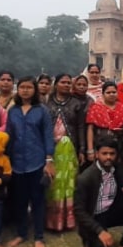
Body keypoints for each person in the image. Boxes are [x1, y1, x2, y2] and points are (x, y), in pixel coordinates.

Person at [73, 138, 123, 247]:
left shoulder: (116, 168)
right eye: (104, 153)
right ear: (97, 154)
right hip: (94, 218)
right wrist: (99, 230)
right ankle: (89, 239)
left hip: (110, 212)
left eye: (112, 154)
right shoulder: (85, 178)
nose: (108, 157)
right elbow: (79, 211)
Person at [6, 76, 55, 247]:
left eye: (29, 87)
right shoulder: (13, 111)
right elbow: (8, 136)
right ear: (17, 90)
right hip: (17, 163)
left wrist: (49, 160)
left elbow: (48, 135)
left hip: (37, 161)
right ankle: (21, 233)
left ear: (34, 90)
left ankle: (39, 237)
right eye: (22, 87)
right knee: (19, 200)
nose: (25, 90)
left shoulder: (42, 110)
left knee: (38, 200)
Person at [45, 73, 87, 232]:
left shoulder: (76, 103)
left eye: (69, 83)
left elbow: (81, 127)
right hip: (51, 150)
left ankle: (68, 220)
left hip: (70, 150)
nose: (66, 85)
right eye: (63, 82)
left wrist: (82, 149)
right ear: (56, 84)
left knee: (69, 184)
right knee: (52, 183)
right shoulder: (47, 104)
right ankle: (52, 221)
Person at [86, 81, 123, 165]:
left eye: (114, 92)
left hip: (119, 147)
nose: (111, 94)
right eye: (108, 92)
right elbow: (90, 129)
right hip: (100, 146)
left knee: (119, 173)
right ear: (103, 94)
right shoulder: (96, 108)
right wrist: (90, 150)